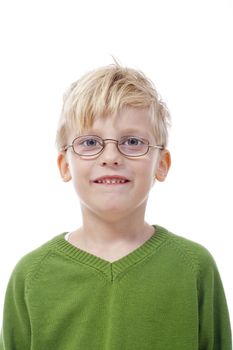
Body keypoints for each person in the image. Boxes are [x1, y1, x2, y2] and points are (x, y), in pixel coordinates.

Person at [0, 62, 231, 350]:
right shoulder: (31, 275)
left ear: (161, 164)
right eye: (89, 142)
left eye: (132, 141)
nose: (110, 156)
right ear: (64, 165)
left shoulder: (195, 267)